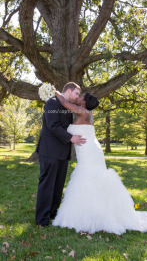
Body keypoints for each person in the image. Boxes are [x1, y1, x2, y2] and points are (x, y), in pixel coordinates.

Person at [52, 91, 147, 235]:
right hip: (88, 150)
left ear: (84, 103)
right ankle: (90, 212)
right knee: (90, 180)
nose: (78, 98)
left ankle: (92, 217)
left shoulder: (84, 113)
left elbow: (65, 103)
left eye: (80, 97)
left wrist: (54, 91)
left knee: (88, 178)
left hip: (89, 152)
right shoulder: (83, 114)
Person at [35, 82, 86, 227]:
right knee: (47, 185)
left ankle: (52, 214)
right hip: (49, 151)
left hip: (62, 153)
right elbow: (53, 126)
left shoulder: (65, 106)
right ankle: (42, 220)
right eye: (76, 93)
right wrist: (71, 138)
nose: (77, 97)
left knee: (58, 186)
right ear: (68, 91)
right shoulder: (51, 103)